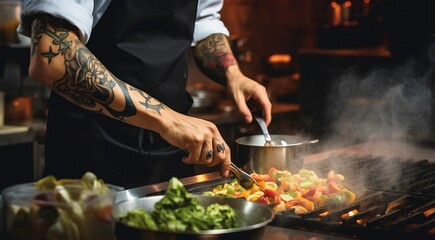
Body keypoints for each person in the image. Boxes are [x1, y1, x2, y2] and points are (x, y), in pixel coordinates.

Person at [18, 0, 272, 188]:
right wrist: (168, 120)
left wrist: (233, 75)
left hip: (169, 151)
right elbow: (52, 57)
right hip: (91, 151)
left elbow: (202, 20)